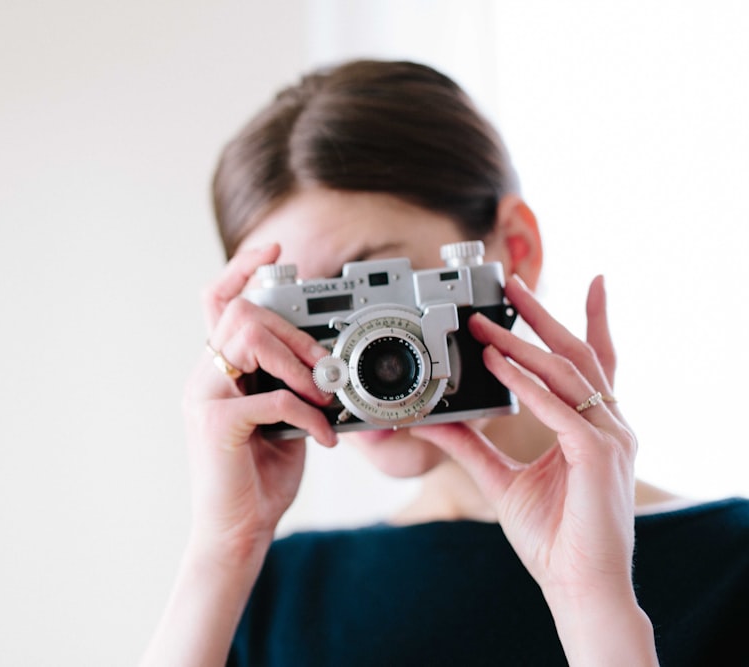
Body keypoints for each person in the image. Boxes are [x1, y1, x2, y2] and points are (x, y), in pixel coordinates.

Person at [141, 60, 749, 666]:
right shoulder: (274, 592)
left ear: (514, 249)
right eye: (305, 313)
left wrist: (595, 604)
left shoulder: (733, 566)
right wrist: (221, 551)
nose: (351, 353)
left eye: (377, 289)